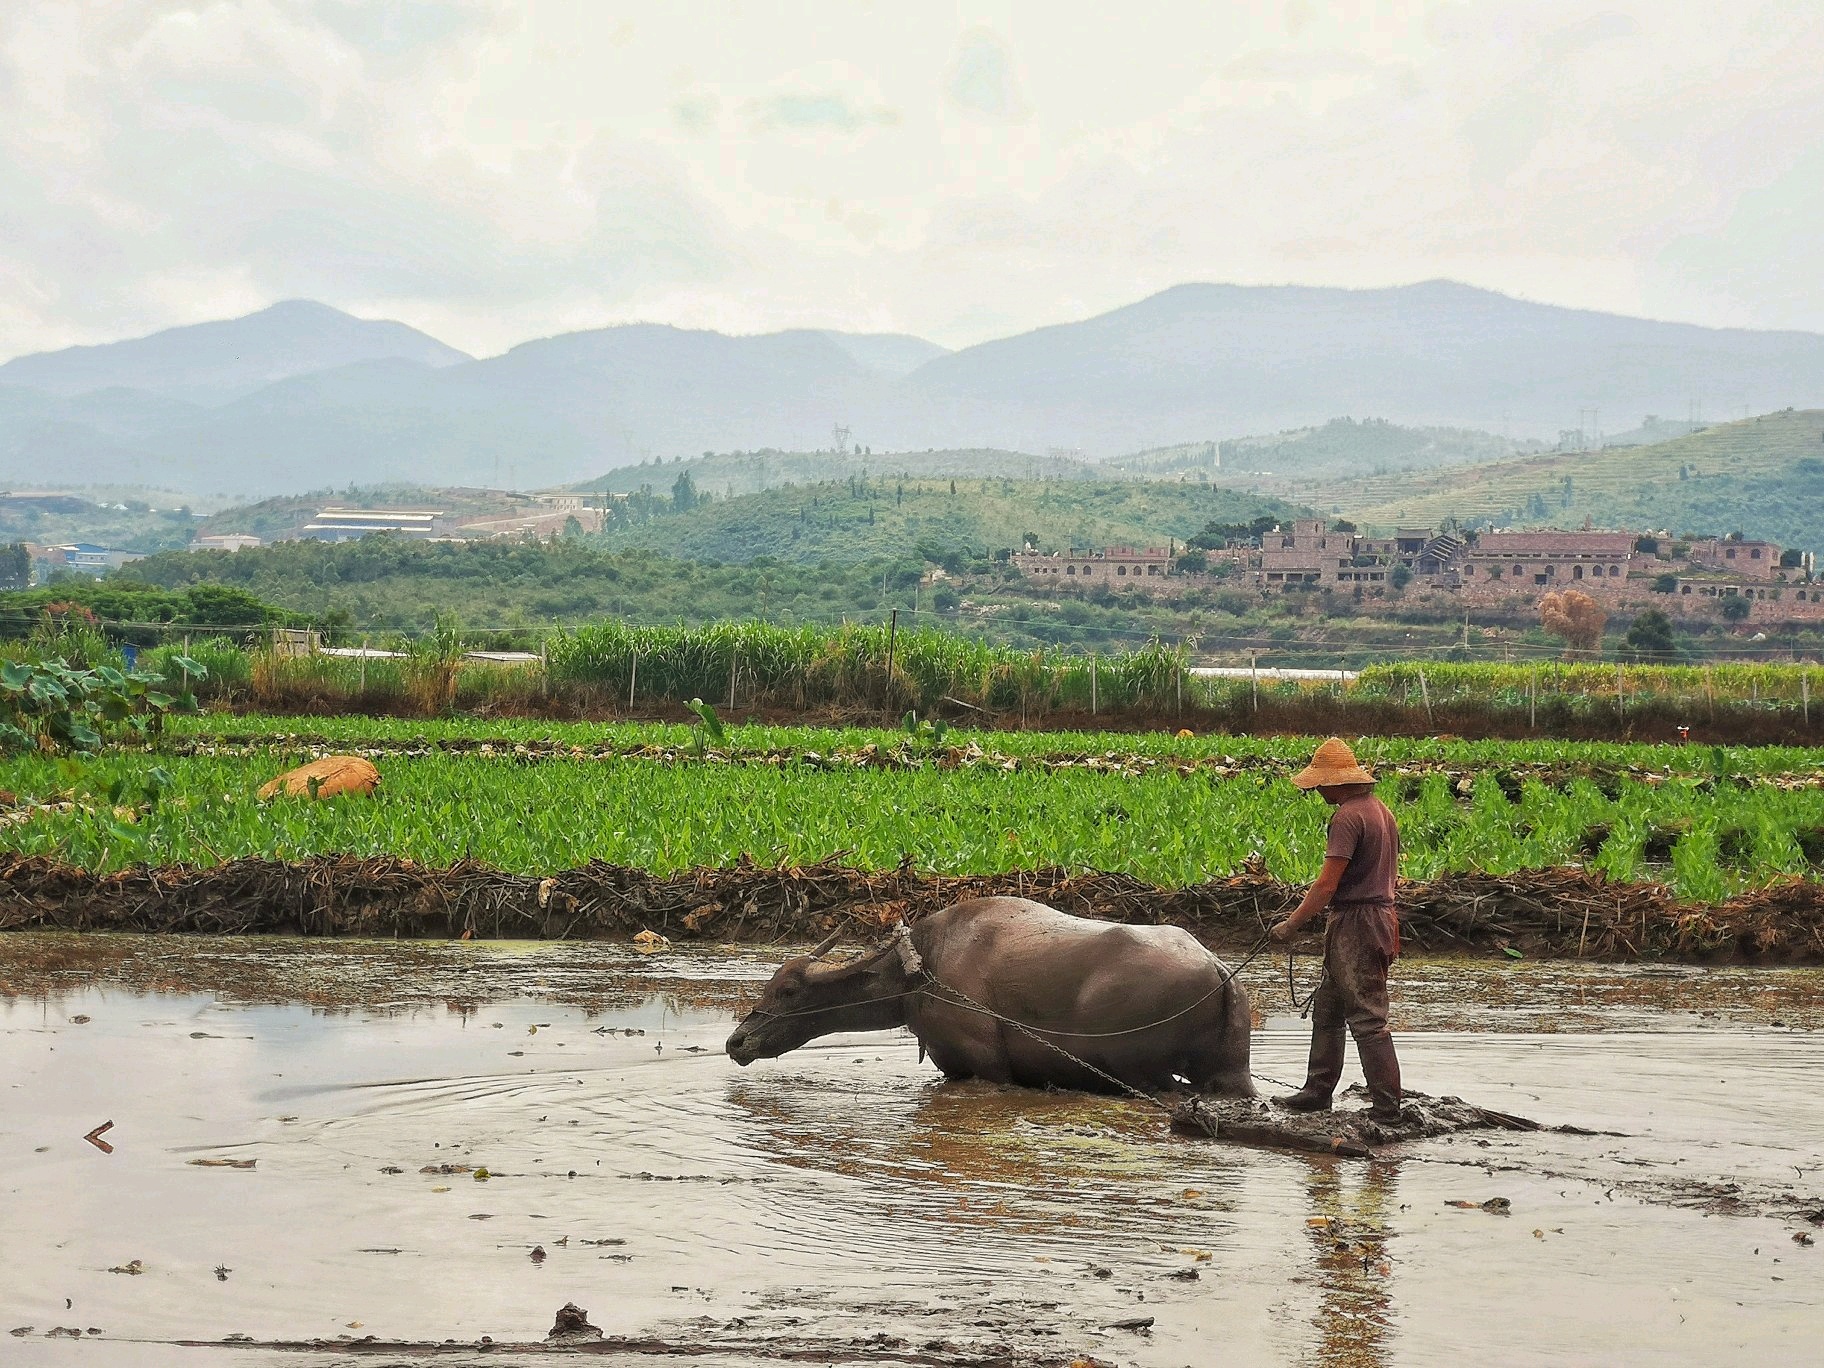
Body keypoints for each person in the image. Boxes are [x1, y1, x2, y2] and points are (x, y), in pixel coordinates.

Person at [1269, 738, 1403, 1121]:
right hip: (1374, 918)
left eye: (1321, 784)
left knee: (1367, 1017)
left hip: (1358, 923)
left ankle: (1386, 1107)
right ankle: (1317, 1091)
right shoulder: (1381, 811)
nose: (1318, 791)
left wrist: (1292, 924)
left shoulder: (1347, 817)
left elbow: (1327, 884)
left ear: (1336, 782)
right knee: (1328, 1009)